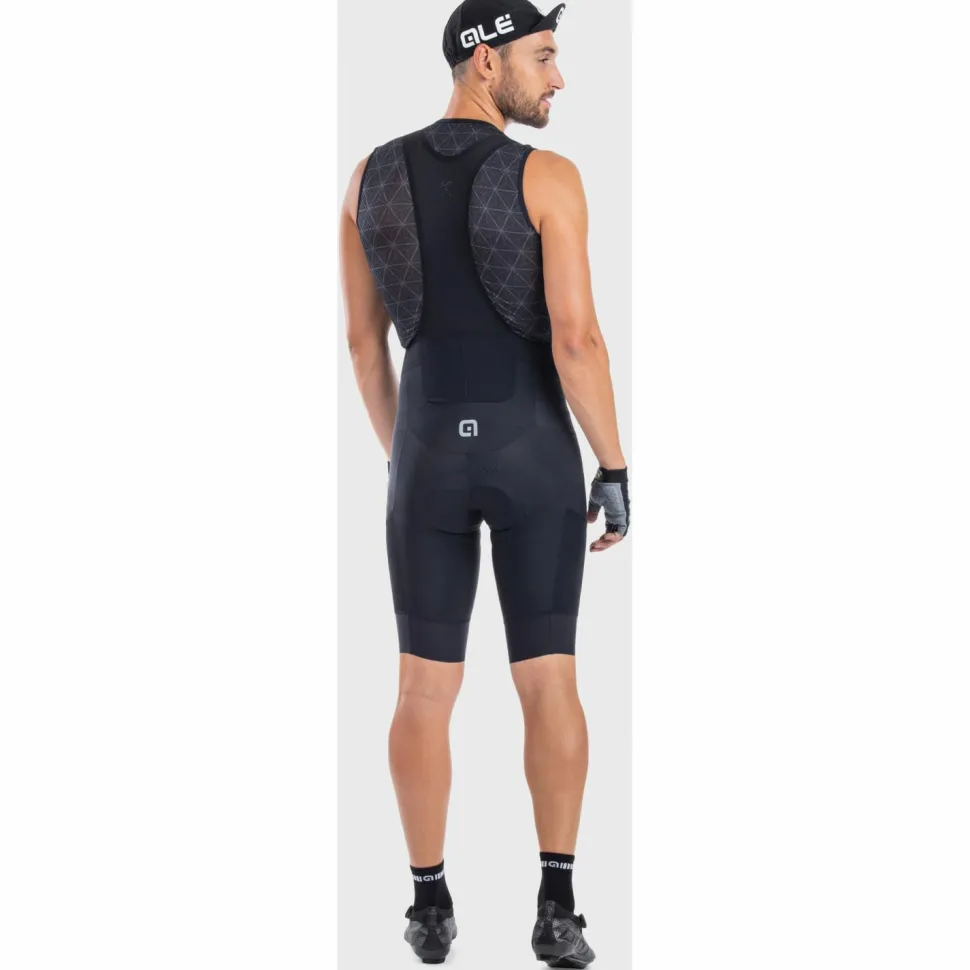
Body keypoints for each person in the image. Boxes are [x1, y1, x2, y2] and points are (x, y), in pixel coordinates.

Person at [338, 1, 630, 964]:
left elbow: (363, 344)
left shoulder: (367, 177)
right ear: (485, 62)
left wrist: (408, 460)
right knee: (548, 680)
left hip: (424, 451)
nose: (558, 78)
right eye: (543, 56)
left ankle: (428, 907)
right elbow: (578, 341)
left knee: (422, 690)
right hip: (530, 452)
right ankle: (557, 909)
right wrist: (615, 465)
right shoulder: (548, 176)